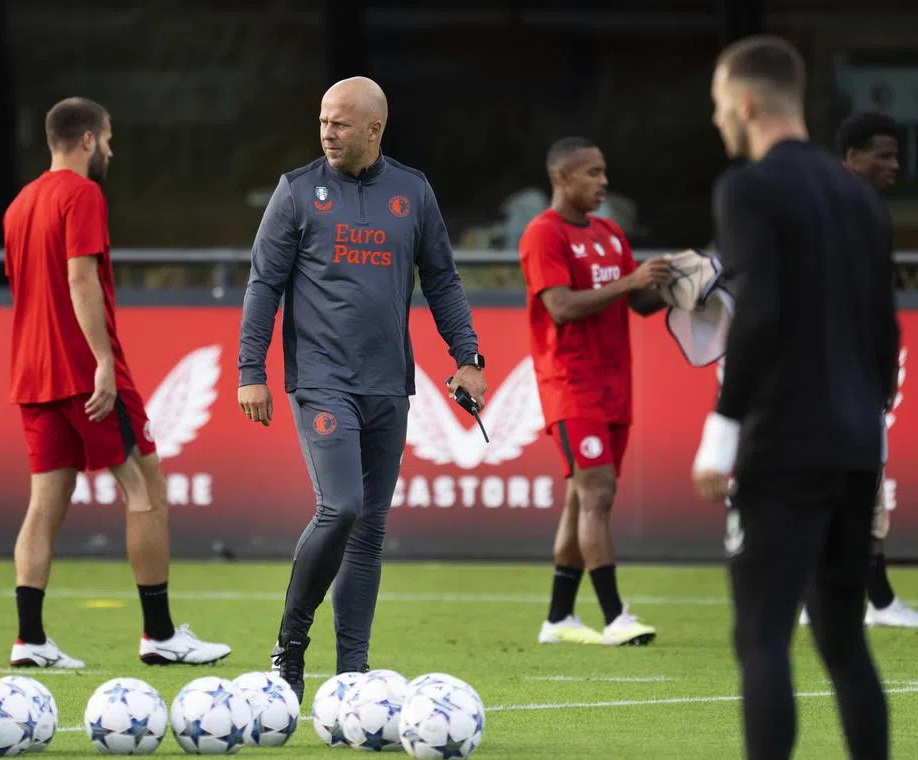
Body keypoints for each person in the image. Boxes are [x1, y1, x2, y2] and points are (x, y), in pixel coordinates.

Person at [238, 76, 485, 702]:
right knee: (340, 508)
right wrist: (250, 372)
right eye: (323, 120)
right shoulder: (296, 192)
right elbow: (264, 285)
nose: (327, 132)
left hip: (388, 386)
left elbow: (444, 281)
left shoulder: (413, 191)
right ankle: (291, 646)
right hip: (322, 381)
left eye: (341, 123)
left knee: (370, 529)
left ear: (374, 129)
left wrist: (469, 357)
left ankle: (352, 673)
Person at [693, 36, 895, 760]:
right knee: (843, 639)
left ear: (745, 104)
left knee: (762, 636)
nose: (719, 120)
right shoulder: (857, 195)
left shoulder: (747, 188)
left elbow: (761, 312)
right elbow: (885, 333)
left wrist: (723, 430)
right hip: (852, 445)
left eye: (719, 106)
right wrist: (868, 429)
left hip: (785, 445)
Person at [3, 97, 230, 668]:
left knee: (43, 504)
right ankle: (159, 634)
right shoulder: (82, 194)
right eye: (107, 138)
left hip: (32, 375)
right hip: (85, 372)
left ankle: (29, 639)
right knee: (144, 490)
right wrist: (102, 360)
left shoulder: (18, 205)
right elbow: (80, 278)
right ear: (86, 140)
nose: (110, 149)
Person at [520, 137, 669, 647]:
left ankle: (559, 619)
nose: (604, 182)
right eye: (593, 173)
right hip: (571, 382)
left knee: (581, 501)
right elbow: (561, 306)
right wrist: (631, 284)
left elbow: (642, 302)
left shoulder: (608, 233)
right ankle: (615, 616)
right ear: (562, 178)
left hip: (613, 383)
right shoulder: (544, 234)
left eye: (604, 172)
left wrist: (684, 282)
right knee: (598, 494)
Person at [799, 111, 916, 629]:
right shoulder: (835, 208)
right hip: (832, 373)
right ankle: (870, 599)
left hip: (852, 372)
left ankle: (849, 596)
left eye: (896, 155)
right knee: (847, 484)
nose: (895, 166)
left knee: (852, 484)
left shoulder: (861, 208)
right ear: (851, 158)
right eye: (883, 155)